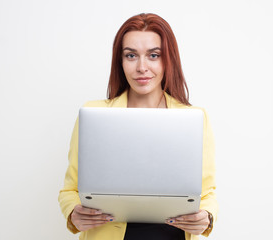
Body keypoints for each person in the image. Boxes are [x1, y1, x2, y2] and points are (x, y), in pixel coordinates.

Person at [58, 13, 218, 240]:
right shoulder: (95, 115)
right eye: (131, 55)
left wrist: (207, 216)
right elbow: (70, 190)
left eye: (153, 55)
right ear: (120, 61)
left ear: (167, 60)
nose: (142, 67)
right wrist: (73, 212)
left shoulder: (194, 118)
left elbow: (207, 192)